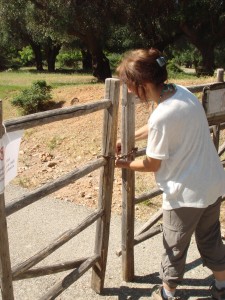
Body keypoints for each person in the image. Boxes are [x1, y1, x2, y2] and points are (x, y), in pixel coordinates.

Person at [115, 48, 225, 300]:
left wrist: (124, 165)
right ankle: (221, 287)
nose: (130, 91)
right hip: (212, 183)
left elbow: (152, 164)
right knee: (210, 239)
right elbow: (156, 123)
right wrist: (130, 136)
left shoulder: (162, 116)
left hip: (185, 193)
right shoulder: (180, 92)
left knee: (174, 246)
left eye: (130, 86)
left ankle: (167, 293)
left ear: (142, 84)